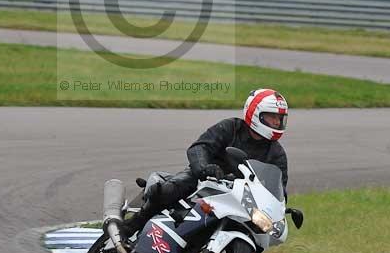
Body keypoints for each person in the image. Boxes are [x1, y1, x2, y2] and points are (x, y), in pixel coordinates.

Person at [124, 88, 289, 237]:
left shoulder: (277, 153)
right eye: (272, 116)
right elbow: (199, 147)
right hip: (206, 180)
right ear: (255, 113)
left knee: (259, 232)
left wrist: (280, 208)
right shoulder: (230, 127)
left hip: (241, 199)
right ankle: (132, 225)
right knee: (171, 189)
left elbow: (279, 188)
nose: (276, 122)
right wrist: (204, 168)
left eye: (280, 118)